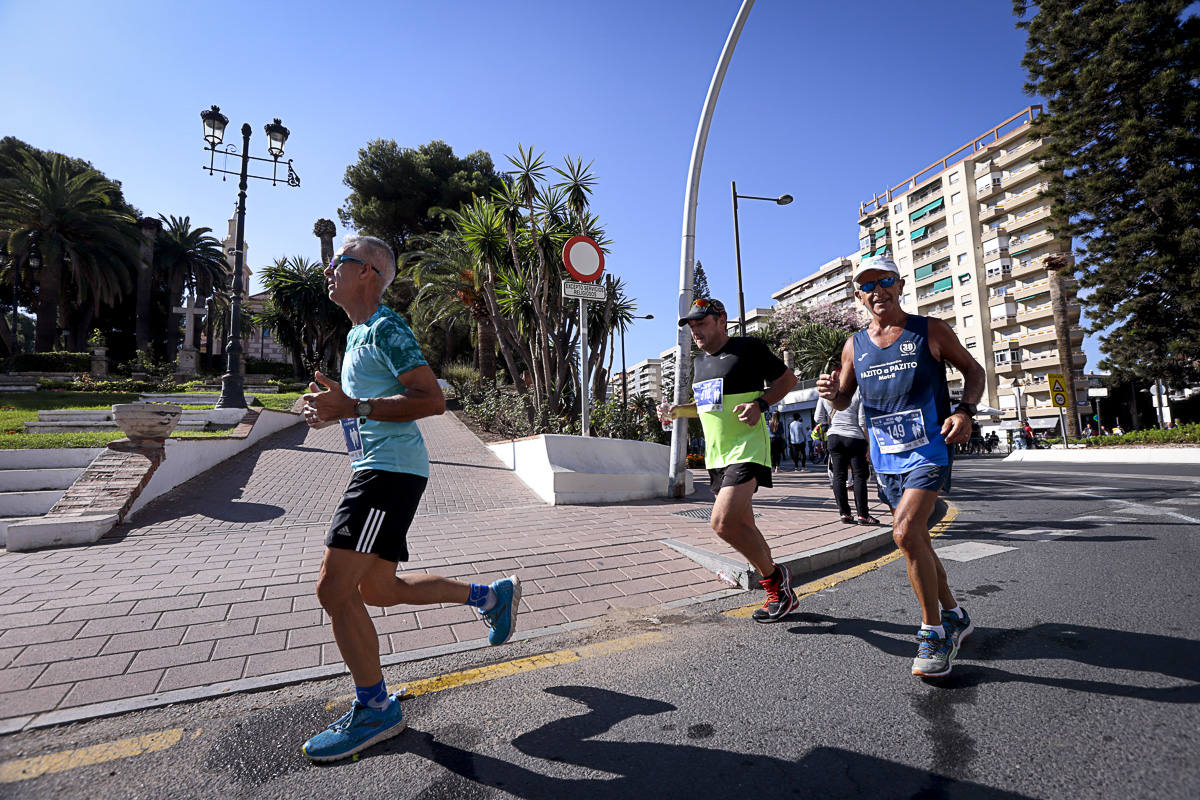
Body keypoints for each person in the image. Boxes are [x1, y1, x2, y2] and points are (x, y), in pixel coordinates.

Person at [299, 235, 520, 762]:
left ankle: (375, 709)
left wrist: (353, 406)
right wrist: (332, 410)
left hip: (388, 474)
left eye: (340, 262)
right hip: (377, 469)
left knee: (333, 590)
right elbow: (358, 405)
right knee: (378, 590)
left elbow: (432, 400)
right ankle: (491, 597)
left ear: (371, 272)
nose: (329, 269)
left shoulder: (387, 327)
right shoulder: (356, 335)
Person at [817, 255, 985, 678]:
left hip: (929, 449)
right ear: (858, 295)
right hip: (885, 457)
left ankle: (933, 633)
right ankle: (955, 614)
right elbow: (843, 399)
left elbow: (974, 370)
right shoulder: (854, 344)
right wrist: (832, 392)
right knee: (918, 543)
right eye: (868, 285)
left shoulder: (930, 330)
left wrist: (964, 412)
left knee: (905, 532)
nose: (878, 291)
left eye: (885, 281)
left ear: (900, 284)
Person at [660, 298, 799, 622]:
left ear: (721, 320)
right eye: (691, 326)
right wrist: (677, 411)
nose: (696, 331)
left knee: (722, 523)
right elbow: (706, 405)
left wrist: (760, 405)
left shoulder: (748, 348)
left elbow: (787, 380)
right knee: (744, 524)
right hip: (717, 456)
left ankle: (777, 580)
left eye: (701, 323)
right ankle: (779, 596)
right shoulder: (700, 362)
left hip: (748, 449)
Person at [814, 388, 876, 525]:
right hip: (854, 438)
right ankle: (863, 515)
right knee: (859, 476)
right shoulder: (857, 389)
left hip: (834, 437)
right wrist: (869, 444)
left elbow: (818, 417)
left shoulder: (827, 390)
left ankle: (845, 514)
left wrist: (831, 422)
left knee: (838, 476)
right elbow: (862, 421)